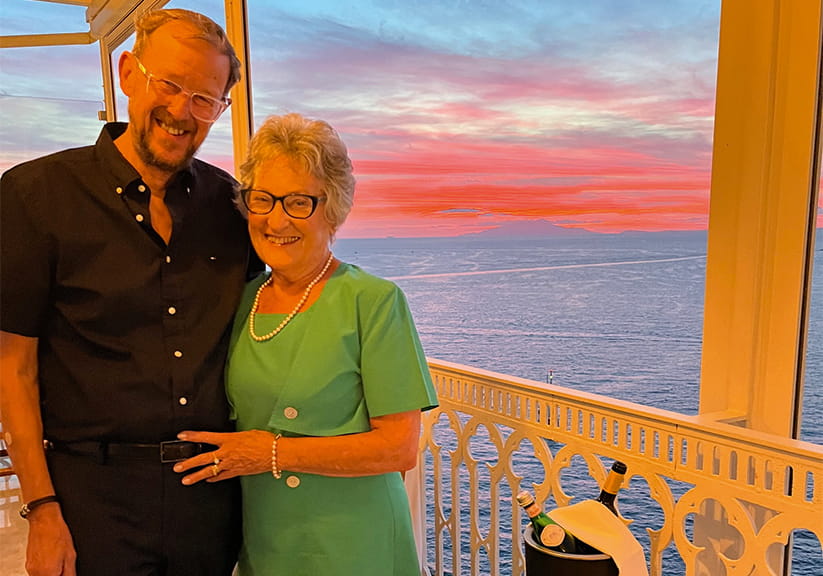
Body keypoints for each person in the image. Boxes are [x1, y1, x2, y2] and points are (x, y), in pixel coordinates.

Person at [0, 8, 261, 576]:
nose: (182, 110)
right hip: (90, 501)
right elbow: (13, 366)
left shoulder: (231, 206)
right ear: (127, 73)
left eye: (204, 98)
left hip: (210, 499)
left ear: (220, 109)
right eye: (169, 84)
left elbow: (275, 313)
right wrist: (42, 510)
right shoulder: (34, 195)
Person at [172, 113, 439, 576]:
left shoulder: (373, 301)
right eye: (264, 199)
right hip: (268, 535)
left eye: (299, 202)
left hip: (354, 541)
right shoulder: (242, 301)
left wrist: (269, 453)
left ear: (332, 209)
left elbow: (398, 448)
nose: (277, 219)